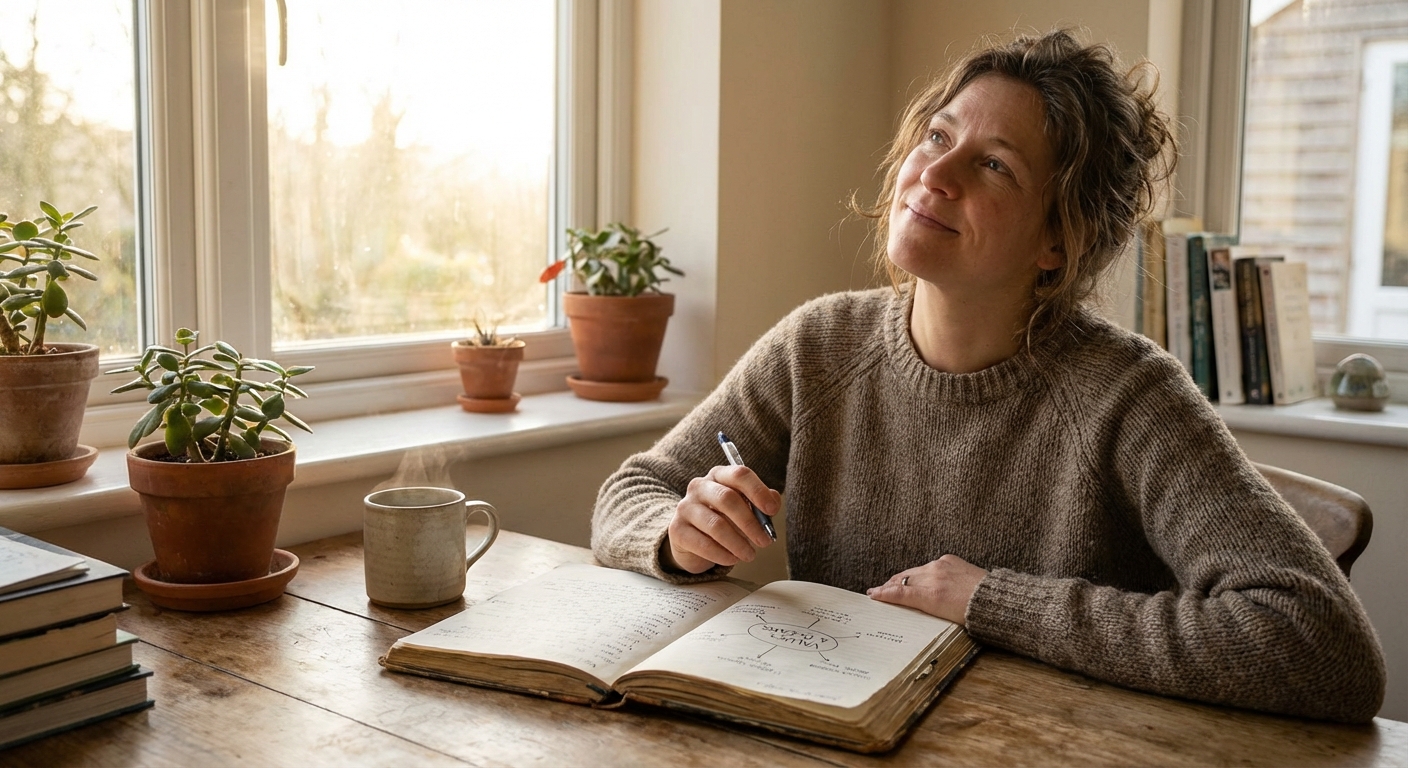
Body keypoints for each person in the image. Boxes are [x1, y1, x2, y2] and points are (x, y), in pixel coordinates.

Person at [590, 29, 1386, 723]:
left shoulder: (1131, 397)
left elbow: (1324, 646)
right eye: (937, 138)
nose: (937, 176)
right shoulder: (818, 345)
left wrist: (989, 601)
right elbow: (631, 491)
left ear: (1058, 241)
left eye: (995, 166)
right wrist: (676, 533)